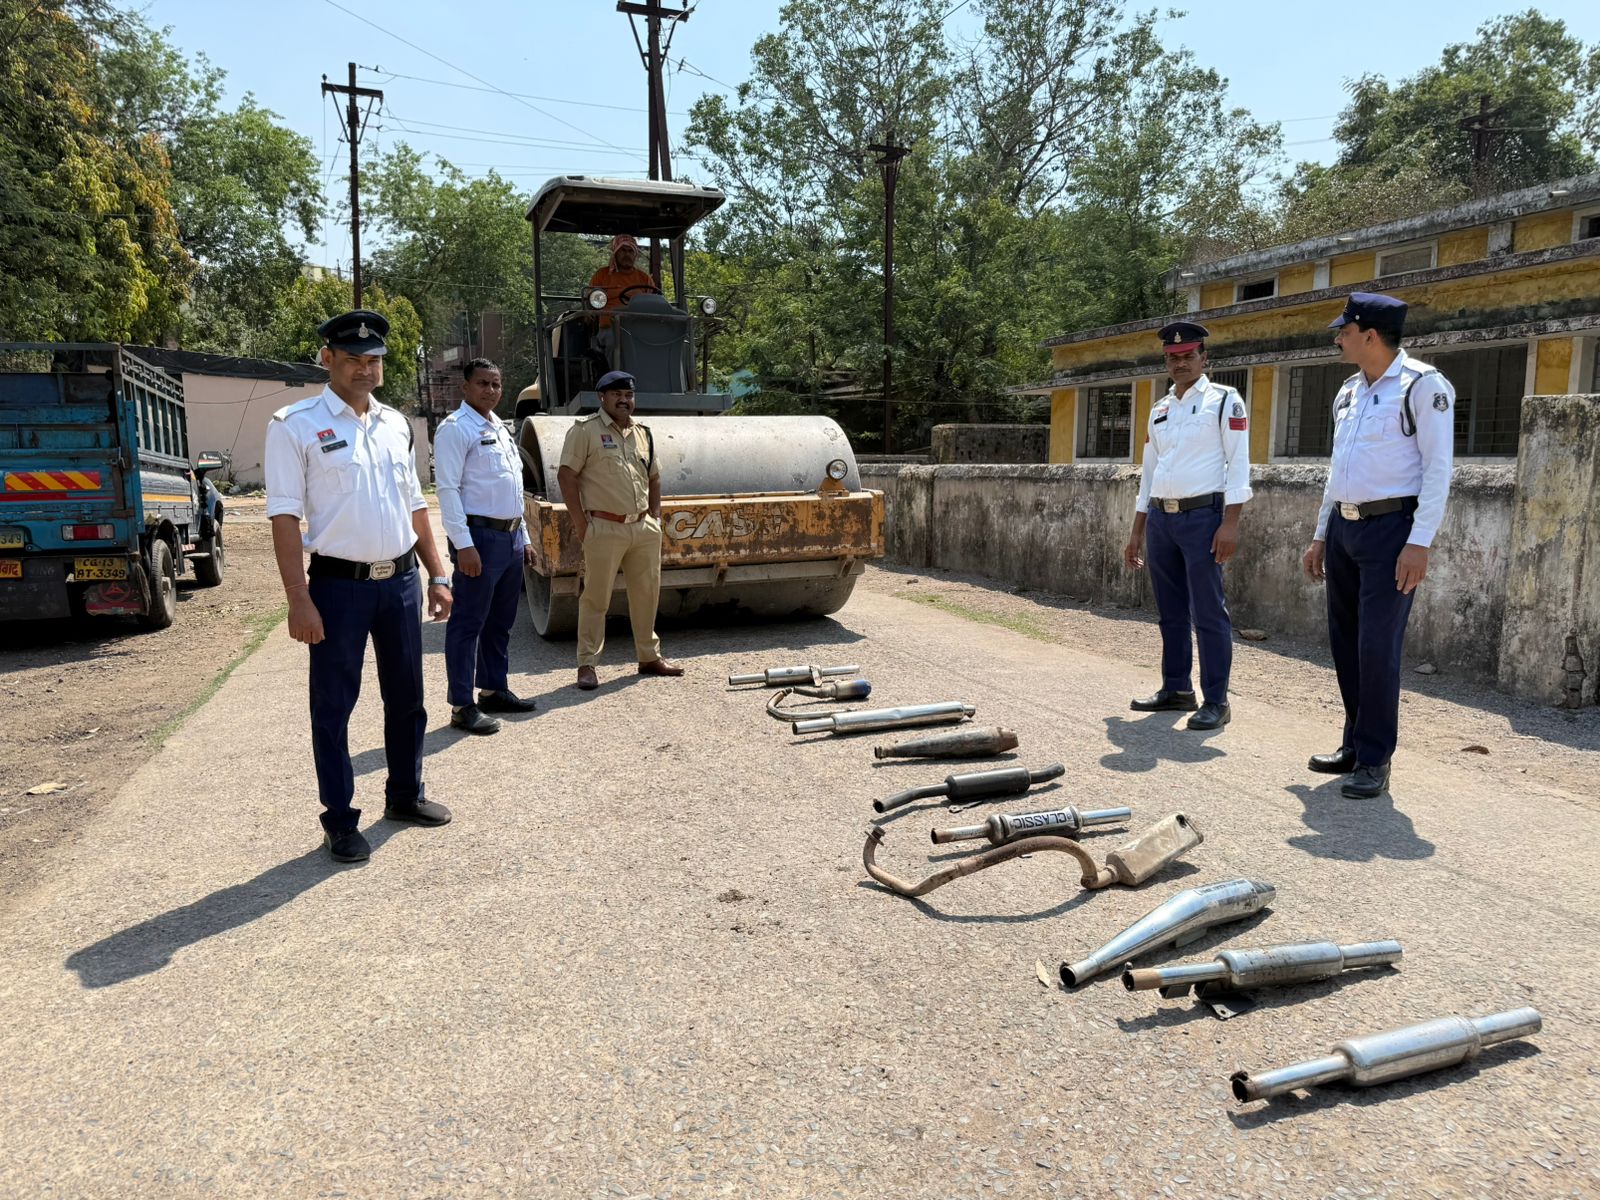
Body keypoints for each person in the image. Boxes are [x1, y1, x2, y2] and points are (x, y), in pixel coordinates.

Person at [265, 310, 454, 863]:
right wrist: (298, 598)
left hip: (399, 582)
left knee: (408, 698)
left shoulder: (396, 424)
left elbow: (415, 505)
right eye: (353, 359)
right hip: (337, 589)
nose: (365, 370)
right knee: (334, 706)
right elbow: (284, 517)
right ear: (327, 359)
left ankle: (404, 795)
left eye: (374, 360)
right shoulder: (294, 425)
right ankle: (340, 820)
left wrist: (437, 574)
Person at [1300, 293, 1455, 799]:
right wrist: (1321, 534)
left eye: (1344, 331)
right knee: (1345, 641)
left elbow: (1438, 470)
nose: (1337, 339)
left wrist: (1419, 542)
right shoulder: (1349, 391)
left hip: (1392, 531)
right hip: (1345, 528)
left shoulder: (1423, 386)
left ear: (1369, 335)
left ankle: (1374, 758)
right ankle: (1354, 743)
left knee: (1377, 647)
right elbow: (1337, 471)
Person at [1122, 320, 1252, 732]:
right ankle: (1177, 688)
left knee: (1208, 612)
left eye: (1188, 355)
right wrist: (1137, 529)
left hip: (1203, 518)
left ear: (1203, 358)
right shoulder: (1161, 409)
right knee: (1171, 611)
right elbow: (1149, 471)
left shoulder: (1225, 401)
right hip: (1162, 518)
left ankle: (1216, 700)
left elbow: (1239, 463)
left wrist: (1230, 523)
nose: (1180, 363)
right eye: (1173, 357)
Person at [556, 369, 684, 690]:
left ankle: (649, 657)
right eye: (616, 395)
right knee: (595, 598)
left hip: (642, 528)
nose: (624, 400)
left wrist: (654, 518)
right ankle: (587, 664)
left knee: (646, 594)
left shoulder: (643, 434)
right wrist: (582, 524)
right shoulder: (585, 431)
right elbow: (566, 476)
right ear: (602, 397)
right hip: (604, 527)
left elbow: (654, 477)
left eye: (628, 395)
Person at [434, 357, 539, 736]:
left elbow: (512, 488)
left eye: (496, 384)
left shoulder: (501, 428)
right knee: (467, 623)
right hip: (478, 539)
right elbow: (448, 490)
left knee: (500, 621)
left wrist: (524, 537)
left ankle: (494, 689)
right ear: (465, 387)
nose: (491, 390)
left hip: (509, 538)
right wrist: (463, 545)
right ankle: (462, 705)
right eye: (482, 383)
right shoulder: (455, 429)